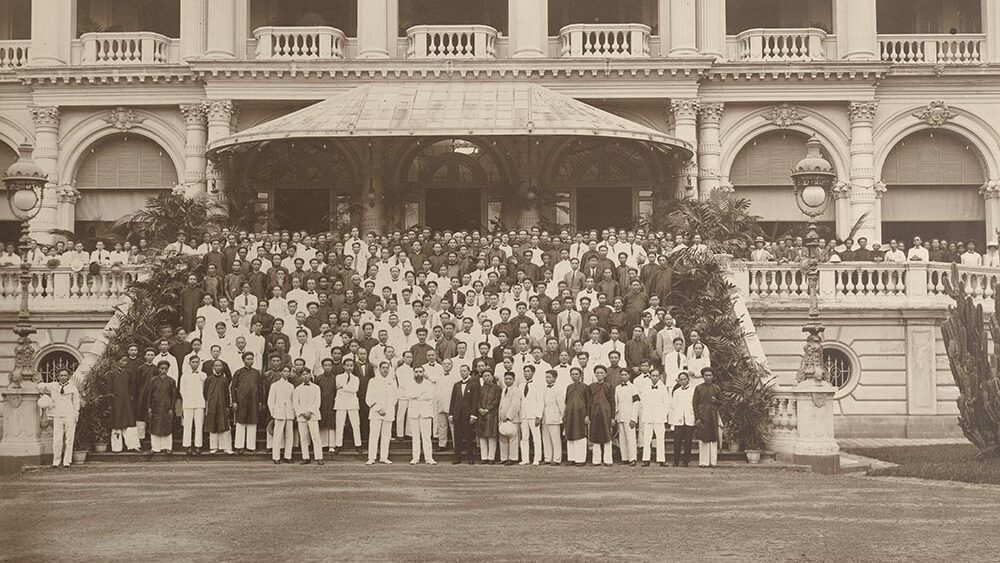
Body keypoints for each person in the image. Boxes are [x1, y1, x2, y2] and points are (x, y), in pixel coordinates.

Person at [38, 368, 80, 468]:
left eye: (65, 375)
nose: (63, 377)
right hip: (57, 415)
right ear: (58, 376)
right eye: (61, 375)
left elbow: (76, 403)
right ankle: (56, 461)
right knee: (57, 439)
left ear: (69, 376)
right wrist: (39, 383)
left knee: (69, 439)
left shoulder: (73, 388)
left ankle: (67, 461)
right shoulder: (53, 385)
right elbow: (41, 386)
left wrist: (76, 415)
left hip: (69, 415)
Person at [366, 360, 397, 465]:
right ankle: (372, 457)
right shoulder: (373, 381)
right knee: (374, 435)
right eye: (383, 368)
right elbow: (369, 398)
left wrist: (388, 409)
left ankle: (384, 457)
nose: (385, 370)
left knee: (386, 435)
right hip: (376, 413)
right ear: (379, 369)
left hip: (388, 412)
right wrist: (379, 409)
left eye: (387, 368)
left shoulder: (392, 381)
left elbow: (395, 397)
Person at [231, 351, 263, 454]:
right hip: (241, 401)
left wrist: (260, 401)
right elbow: (233, 388)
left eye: (251, 359)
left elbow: (260, 388)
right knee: (241, 423)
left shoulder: (256, 373)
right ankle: (239, 446)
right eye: (248, 359)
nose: (250, 361)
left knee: (252, 423)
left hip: (253, 401)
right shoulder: (238, 372)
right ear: (243, 360)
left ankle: (251, 446)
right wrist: (234, 401)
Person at [143, 360, 177, 455]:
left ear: (168, 370)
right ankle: (155, 448)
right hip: (155, 407)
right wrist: (149, 407)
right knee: (155, 427)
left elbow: (173, 396)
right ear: (158, 369)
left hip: (166, 407)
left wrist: (171, 408)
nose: (163, 371)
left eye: (165, 369)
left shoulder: (171, 381)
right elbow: (149, 395)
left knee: (167, 426)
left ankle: (167, 447)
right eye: (161, 369)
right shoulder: (153, 380)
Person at [109, 354, 140, 453]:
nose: (124, 363)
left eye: (126, 361)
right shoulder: (112, 373)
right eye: (122, 361)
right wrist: (110, 402)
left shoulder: (129, 373)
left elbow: (132, 386)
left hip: (127, 401)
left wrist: (131, 397)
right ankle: (117, 447)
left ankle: (133, 445)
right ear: (117, 361)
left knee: (130, 422)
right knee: (117, 423)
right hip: (116, 401)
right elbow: (109, 389)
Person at [449, 365, 480, 464]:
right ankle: (457, 457)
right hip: (457, 414)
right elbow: (453, 400)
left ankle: (470, 457)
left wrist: (473, 415)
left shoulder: (474, 384)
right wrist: (451, 414)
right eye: (461, 371)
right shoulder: (456, 385)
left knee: (469, 437)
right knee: (457, 437)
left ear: (468, 372)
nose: (462, 373)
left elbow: (475, 400)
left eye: (464, 371)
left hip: (468, 415)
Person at [406, 365, 436, 465]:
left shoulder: (428, 384)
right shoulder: (409, 383)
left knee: (426, 436)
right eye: (416, 372)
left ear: (423, 373)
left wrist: (417, 396)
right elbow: (409, 395)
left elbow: (430, 396)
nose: (418, 374)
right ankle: (415, 458)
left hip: (426, 413)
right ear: (413, 373)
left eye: (420, 372)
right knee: (415, 436)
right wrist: (420, 395)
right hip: (414, 413)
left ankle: (429, 458)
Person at [638, 370, 670, 466]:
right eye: (653, 376)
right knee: (647, 439)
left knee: (660, 438)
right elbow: (642, 402)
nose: (655, 377)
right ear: (650, 376)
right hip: (648, 417)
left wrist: (663, 414)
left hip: (659, 417)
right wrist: (646, 412)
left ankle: (661, 459)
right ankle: (646, 459)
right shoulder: (645, 387)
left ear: (659, 377)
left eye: (656, 376)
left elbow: (667, 403)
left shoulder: (663, 388)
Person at [693, 367, 722, 468]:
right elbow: (694, 404)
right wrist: (697, 417)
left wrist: (716, 401)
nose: (708, 377)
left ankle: (713, 462)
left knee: (713, 439)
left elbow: (722, 403)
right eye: (706, 375)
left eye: (710, 375)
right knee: (703, 438)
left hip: (713, 416)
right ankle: (704, 462)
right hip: (702, 415)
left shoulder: (717, 388)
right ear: (703, 376)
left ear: (713, 377)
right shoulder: (698, 388)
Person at [293, 372, 324, 465]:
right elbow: (295, 403)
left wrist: (310, 412)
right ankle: (305, 457)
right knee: (303, 437)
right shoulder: (297, 389)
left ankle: (319, 457)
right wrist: (302, 413)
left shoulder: (316, 388)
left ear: (310, 375)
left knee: (316, 436)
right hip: (302, 417)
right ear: (301, 376)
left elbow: (317, 401)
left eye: (307, 374)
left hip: (313, 416)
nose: (305, 376)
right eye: (303, 374)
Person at [588, 365, 616, 467]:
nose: (599, 375)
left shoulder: (609, 386)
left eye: (601, 373)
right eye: (597, 373)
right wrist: (588, 415)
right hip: (594, 414)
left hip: (606, 414)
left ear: (605, 374)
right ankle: (596, 460)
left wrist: (612, 417)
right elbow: (589, 403)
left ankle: (608, 460)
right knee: (595, 436)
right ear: (595, 374)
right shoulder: (591, 387)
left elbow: (612, 402)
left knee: (607, 436)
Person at [334, 357, 363, 454]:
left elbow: (354, 389)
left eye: (351, 366)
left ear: (353, 367)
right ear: (343, 366)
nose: (349, 368)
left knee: (355, 424)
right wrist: (347, 388)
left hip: (352, 403)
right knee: (339, 424)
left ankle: (358, 444)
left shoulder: (356, 378)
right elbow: (339, 388)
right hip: (340, 403)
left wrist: (343, 387)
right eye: (347, 365)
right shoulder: (338, 377)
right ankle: (338, 445)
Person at [204, 359, 233, 455]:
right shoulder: (209, 379)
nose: (218, 367)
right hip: (212, 405)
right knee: (213, 425)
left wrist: (227, 406)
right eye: (216, 366)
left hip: (222, 405)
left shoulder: (225, 380)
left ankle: (225, 447)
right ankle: (213, 447)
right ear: (213, 367)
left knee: (224, 425)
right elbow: (205, 393)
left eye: (220, 366)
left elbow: (227, 394)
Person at [179, 355, 207, 455]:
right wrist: (186, 400)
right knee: (187, 425)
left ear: (199, 363)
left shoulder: (203, 375)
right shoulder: (184, 375)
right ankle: (187, 445)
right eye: (193, 362)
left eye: (196, 362)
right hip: (188, 403)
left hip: (200, 403)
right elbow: (182, 390)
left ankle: (198, 445)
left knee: (199, 425)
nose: (195, 364)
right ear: (189, 363)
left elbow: (205, 389)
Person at [267, 366, 296, 464]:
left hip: (289, 412)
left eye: (288, 372)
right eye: (284, 371)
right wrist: (273, 412)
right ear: (281, 373)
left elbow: (293, 400)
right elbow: (271, 401)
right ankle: (276, 456)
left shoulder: (291, 386)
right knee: (277, 435)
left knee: (289, 435)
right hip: (279, 412)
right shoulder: (275, 385)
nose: (286, 373)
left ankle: (288, 456)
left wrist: (294, 412)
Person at [563, 367, 590, 466]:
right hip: (570, 415)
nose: (574, 376)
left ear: (580, 375)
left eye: (576, 374)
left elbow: (588, 402)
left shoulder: (585, 387)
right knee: (570, 436)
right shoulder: (569, 387)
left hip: (580, 415)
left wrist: (587, 415)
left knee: (580, 436)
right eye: (573, 374)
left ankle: (580, 459)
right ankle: (571, 458)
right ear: (570, 376)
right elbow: (567, 401)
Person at [518, 364, 544, 466]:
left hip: (533, 416)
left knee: (536, 438)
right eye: (525, 371)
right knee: (524, 438)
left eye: (528, 371)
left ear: (533, 373)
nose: (526, 373)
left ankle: (537, 458)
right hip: (523, 416)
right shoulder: (520, 385)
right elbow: (519, 401)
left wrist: (538, 416)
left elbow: (540, 401)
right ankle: (525, 459)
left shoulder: (538, 385)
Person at [670, 371, 697, 467]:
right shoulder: (676, 392)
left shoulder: (693, 390)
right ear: (679, 381)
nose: (683, 381)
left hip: (689, 418)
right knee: (677, 441)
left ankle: (686, 461)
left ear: (688, 380)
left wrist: (695, 417)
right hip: (678, 419)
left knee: (688, 441)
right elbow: (673, 406)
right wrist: (672, 422)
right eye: (681, 379)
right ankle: (676, 460)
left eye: (685, 379)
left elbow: (695, 405)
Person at [614, 368, 640, 466]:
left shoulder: (633, 387)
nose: (624, 376)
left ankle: (632, 458)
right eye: (622, 375)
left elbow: (636, 403)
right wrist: (616, 417)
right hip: (620, 416)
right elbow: (616, 403)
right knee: (622, 438)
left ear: (629, 376)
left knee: (631, 438)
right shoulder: (617, 388)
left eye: (625, 375)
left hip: (629, 416)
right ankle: (624, 458)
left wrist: (633, 418)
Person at [476, 370, 502, 464]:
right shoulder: (480, 388)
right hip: (481, 415)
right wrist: (479, 409)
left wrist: (487, 409)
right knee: (482, 437)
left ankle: (491, 457)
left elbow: (496, 401)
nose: (486, 378)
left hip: (492, 415)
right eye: (484, 376)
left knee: (491, 437)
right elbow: (477, 400)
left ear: (492, 377)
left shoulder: (497, 388)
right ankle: (484, 457)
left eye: (488, 375)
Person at [541, 369, 565, 466]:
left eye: (549, 377)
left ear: (555, 378)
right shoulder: (544, 388)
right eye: (546, 377)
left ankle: (557, 458)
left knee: (555, 440)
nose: (547, 379)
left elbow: (561, 405)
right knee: (546, 439)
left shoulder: (558, 389)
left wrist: (563, 417)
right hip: (545, 417)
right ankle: (547, 458)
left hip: (554, 417)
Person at [497, 371, 521, 465]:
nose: (507, 380)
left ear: (514, 380)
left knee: (513, 438)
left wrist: (508, 416)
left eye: (510, 379)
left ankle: (513, 458)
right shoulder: (504, 390)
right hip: (502, 418)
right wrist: (500, 417)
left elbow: (516, 405)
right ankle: (504, 457)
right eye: (506, 379)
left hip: (512, 419)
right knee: (503, 437)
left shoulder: (516, 391)